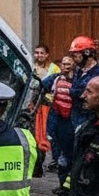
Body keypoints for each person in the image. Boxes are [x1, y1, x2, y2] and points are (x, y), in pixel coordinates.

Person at [68, 35, 99, 134]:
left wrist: (73, 91)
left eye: (75, 55)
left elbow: (82, 93)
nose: (73, 59)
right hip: (75, 118)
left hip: (92, 119)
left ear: (86, 53)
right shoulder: (78, 71)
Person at [43, 56, 75, 183]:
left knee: (68, 152)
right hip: (57, 116)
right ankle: (62, 181)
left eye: (68, 64)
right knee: (56, 144)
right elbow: (41, 86)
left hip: (71, 119)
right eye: (63, 63)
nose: (65, 66)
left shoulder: (77, 80)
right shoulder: (54, 78)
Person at [31, 45, 60, 174]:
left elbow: (56, 87)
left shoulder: (54, 69)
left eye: (42, 53)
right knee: (35, 134)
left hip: (47, 106)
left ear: (47, 55)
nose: (39, 55)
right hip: (32, 106)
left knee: (47, 134)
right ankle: (37, 163)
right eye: (36, 53)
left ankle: (54, 160)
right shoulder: (30, 67)